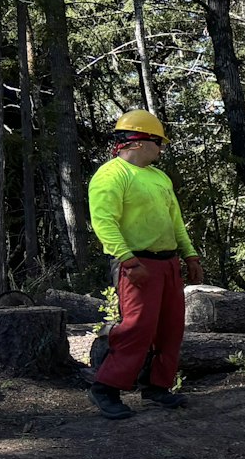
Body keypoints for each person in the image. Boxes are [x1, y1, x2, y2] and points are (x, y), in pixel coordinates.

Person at [86, 110, 203, 420]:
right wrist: (127, 260)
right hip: (136, 262)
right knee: (137, 326)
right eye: (157, 142)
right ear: (138, 142)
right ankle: (106, 388)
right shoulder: (111, 175)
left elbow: (175, 221)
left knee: (171, 327)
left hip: (167, 263)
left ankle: (156, 387)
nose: (160, 149)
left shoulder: (159, 177)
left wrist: (189, 254)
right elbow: (104, 223)